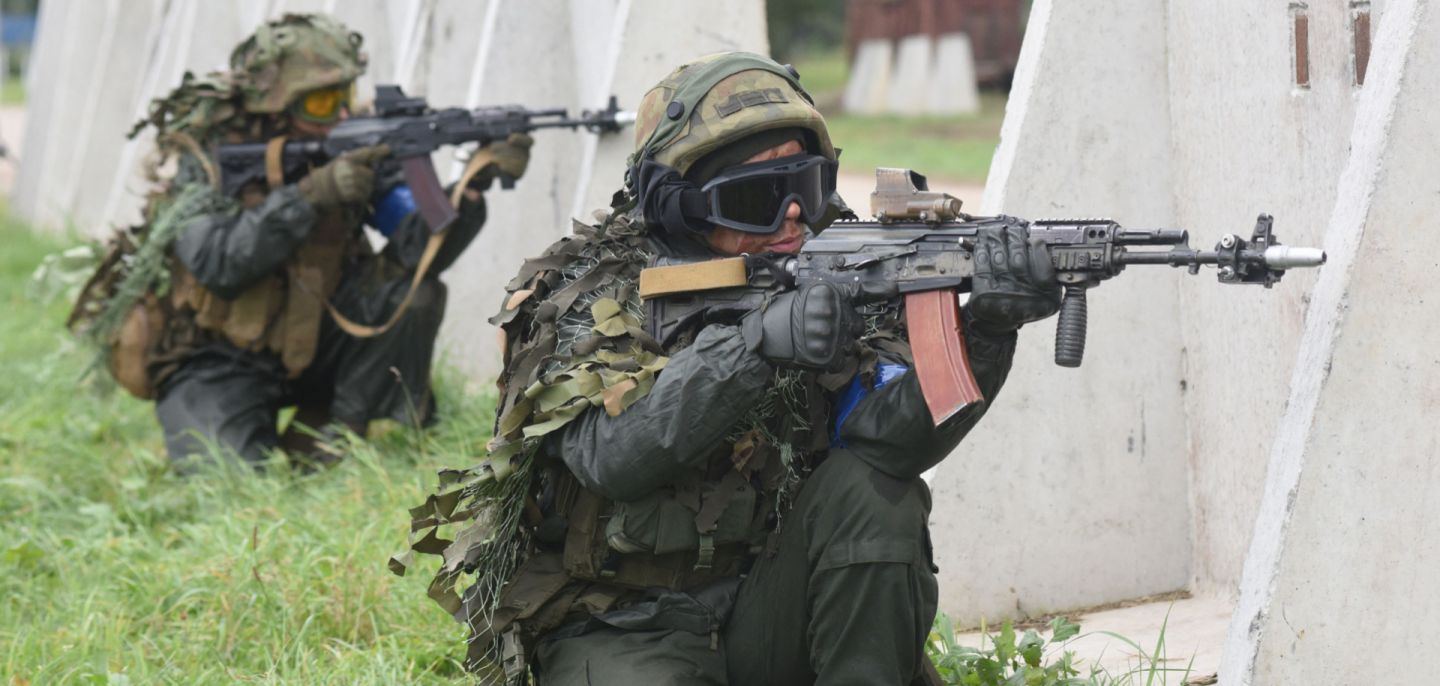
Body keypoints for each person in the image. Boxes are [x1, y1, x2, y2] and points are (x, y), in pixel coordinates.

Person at [412, 51, 1060, 685]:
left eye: (804, 189)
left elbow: (888, 444)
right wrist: (755, 347)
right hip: (622, 623)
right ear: (681, 206)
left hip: (773, 602)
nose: (792, 219)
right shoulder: (590, 290)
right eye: (757, 198)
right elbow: (610, 456)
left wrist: (984, 335)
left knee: (873, 493)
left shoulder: (834, 270)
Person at [95, 14, 530, 469]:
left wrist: (470, 190)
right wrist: (310, 196)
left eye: (343, 97)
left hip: (320, 339)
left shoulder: (356, 145)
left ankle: (337, 440)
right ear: (276, 105)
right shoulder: (206, 159)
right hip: (219, 353)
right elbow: (216, 265)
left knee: (413, 292)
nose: (341, 115)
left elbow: (416, 254)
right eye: (321, 103)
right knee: (225, 480)